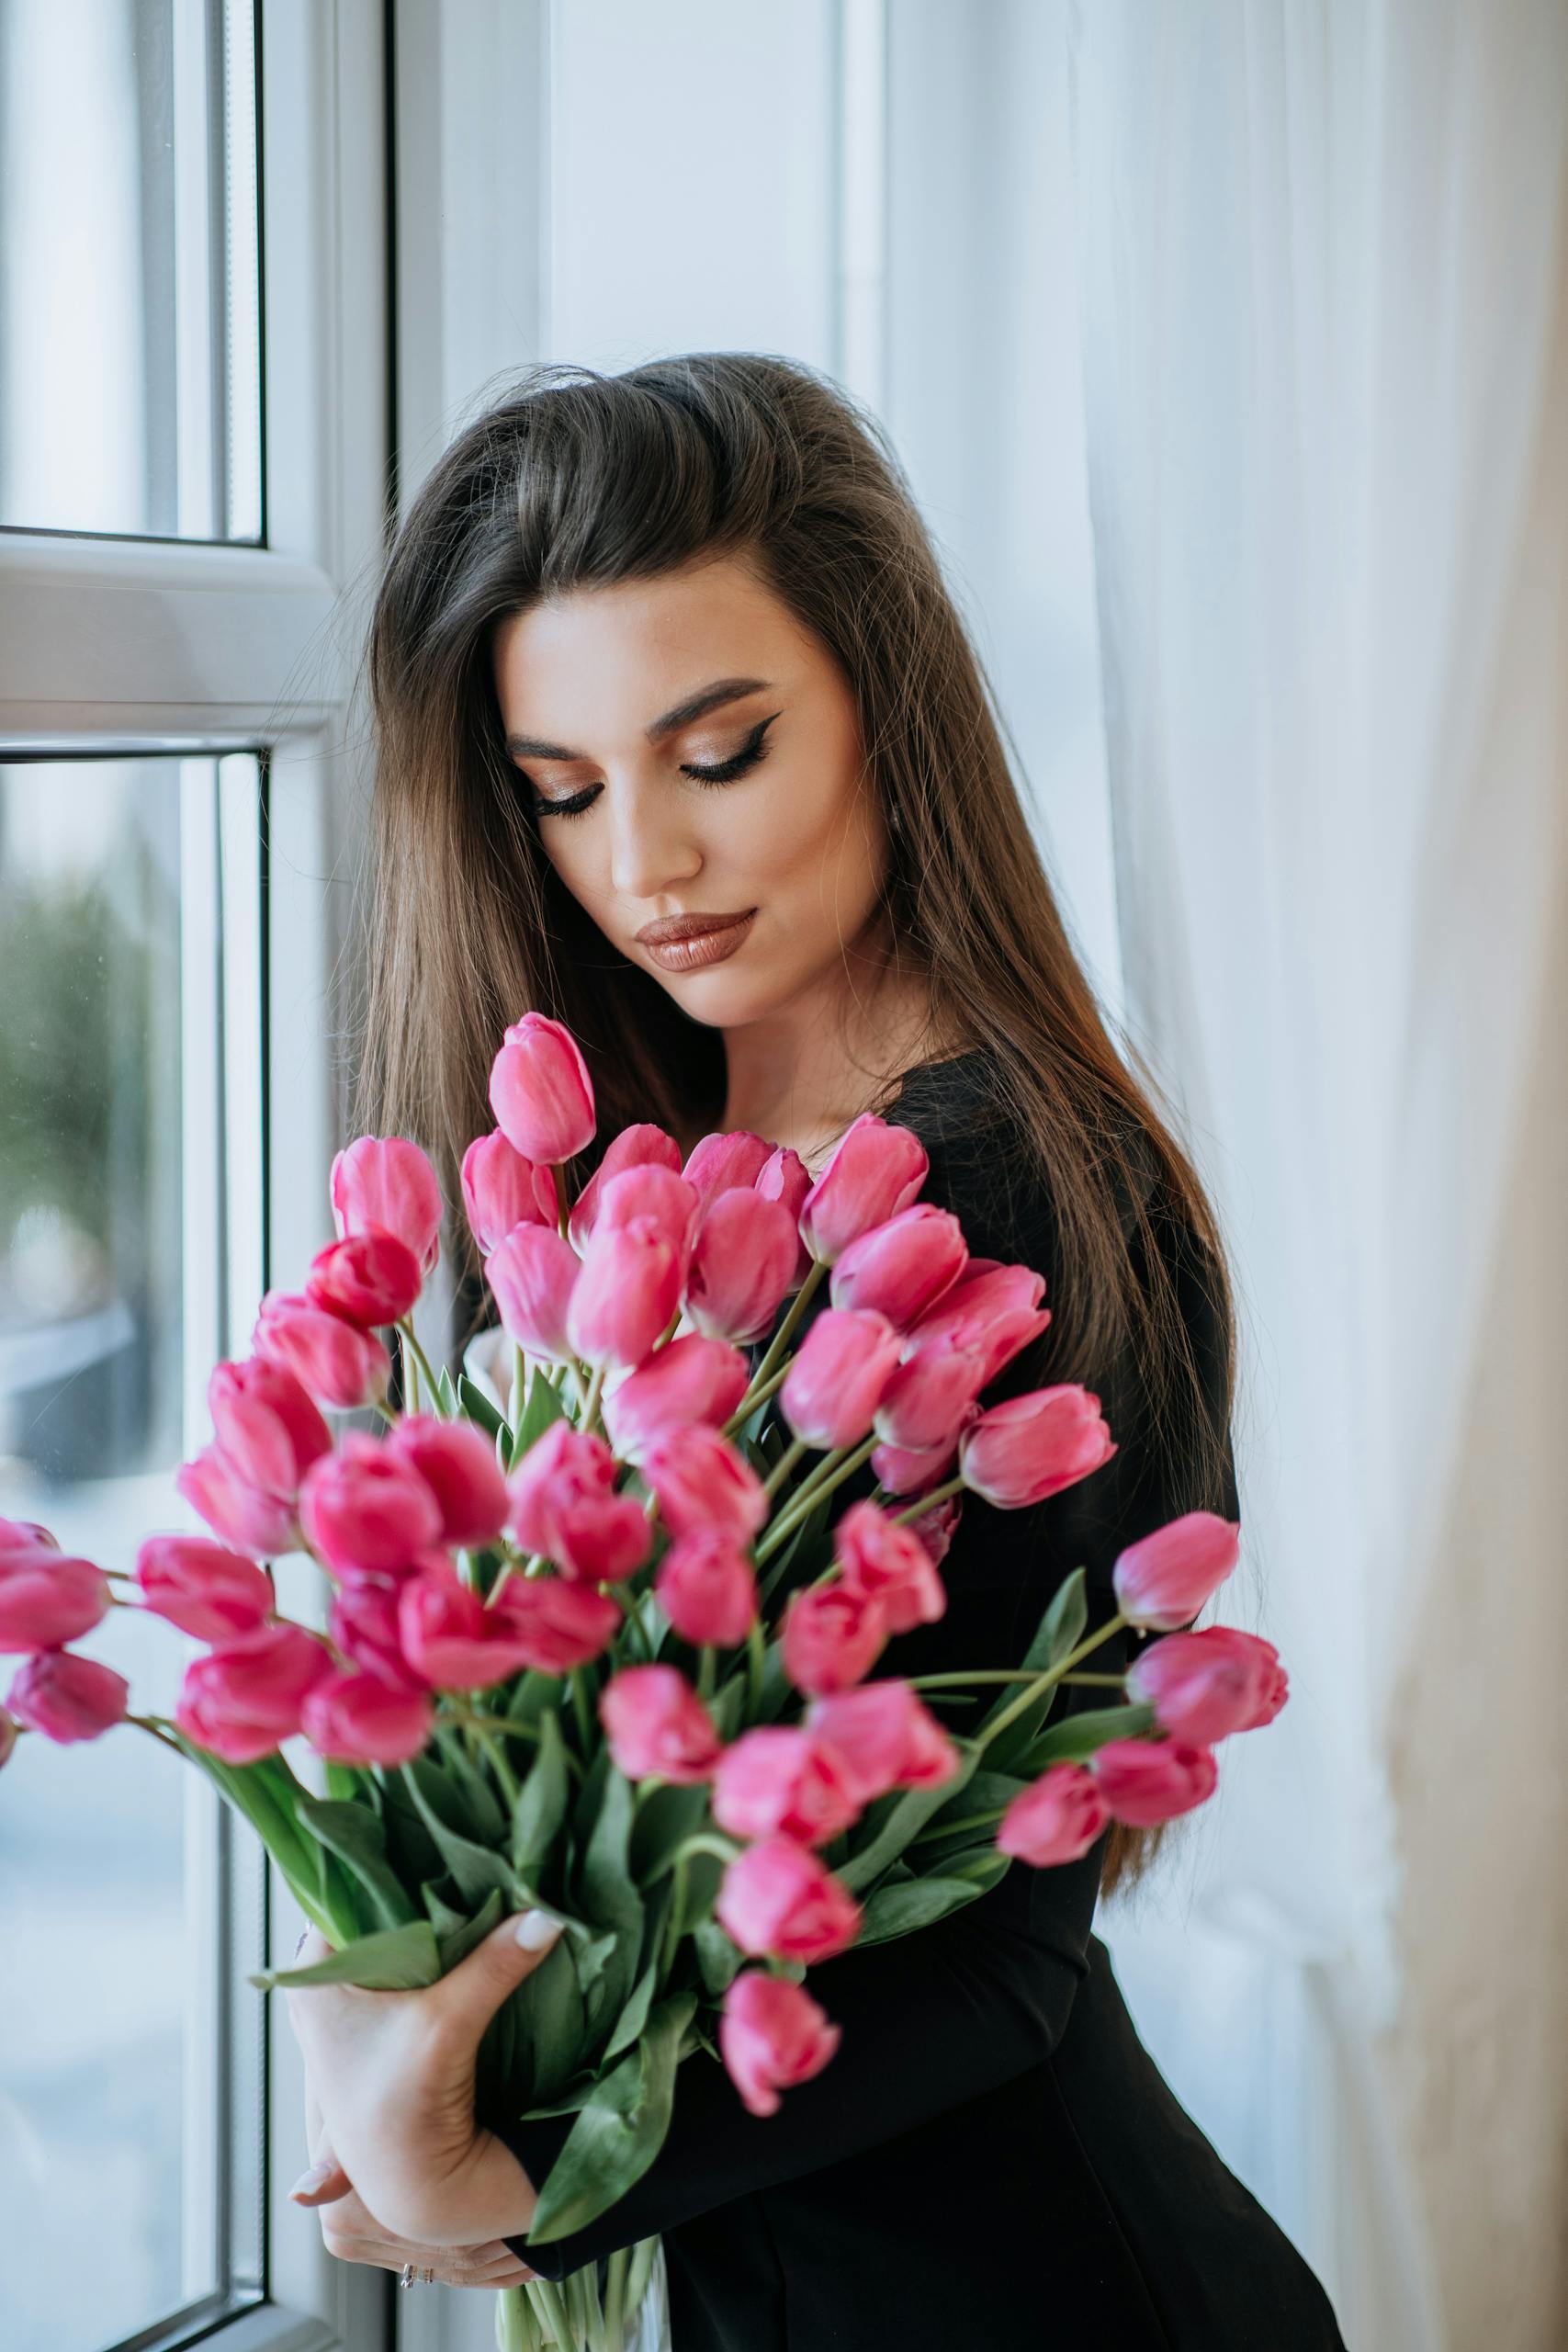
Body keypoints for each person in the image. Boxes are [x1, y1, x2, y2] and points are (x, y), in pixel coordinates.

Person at [286, 354, 1348, 2346]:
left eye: (720, 750)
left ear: (882, 704)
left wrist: (529, 2188)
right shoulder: (648, 1166)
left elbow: (1003, 1954)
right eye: (565, 790)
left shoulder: (1012, 1192)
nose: (642, 867)